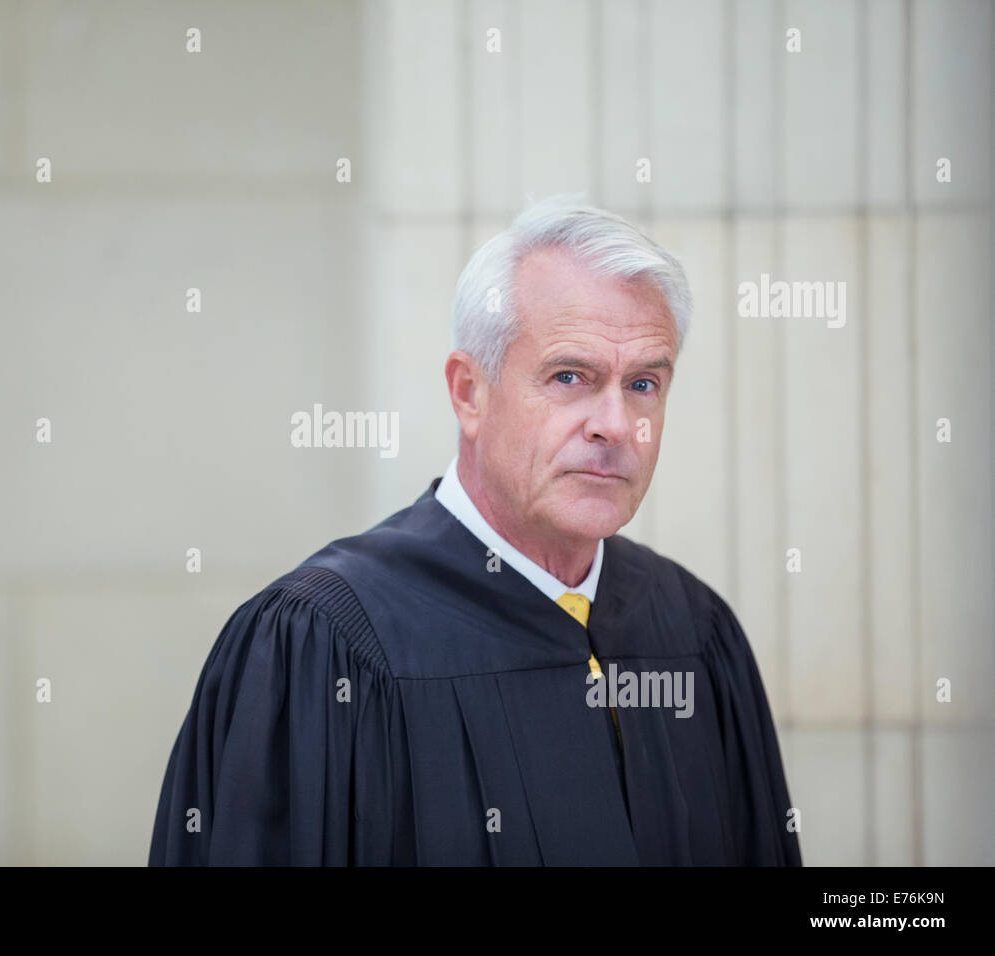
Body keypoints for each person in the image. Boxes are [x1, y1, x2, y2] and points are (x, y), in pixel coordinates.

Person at [149, 196, 802, 866]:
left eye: (642, 384)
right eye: (569, 376)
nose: (614, 424)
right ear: (469, 392)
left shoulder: (694, 632)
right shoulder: (321, 643)